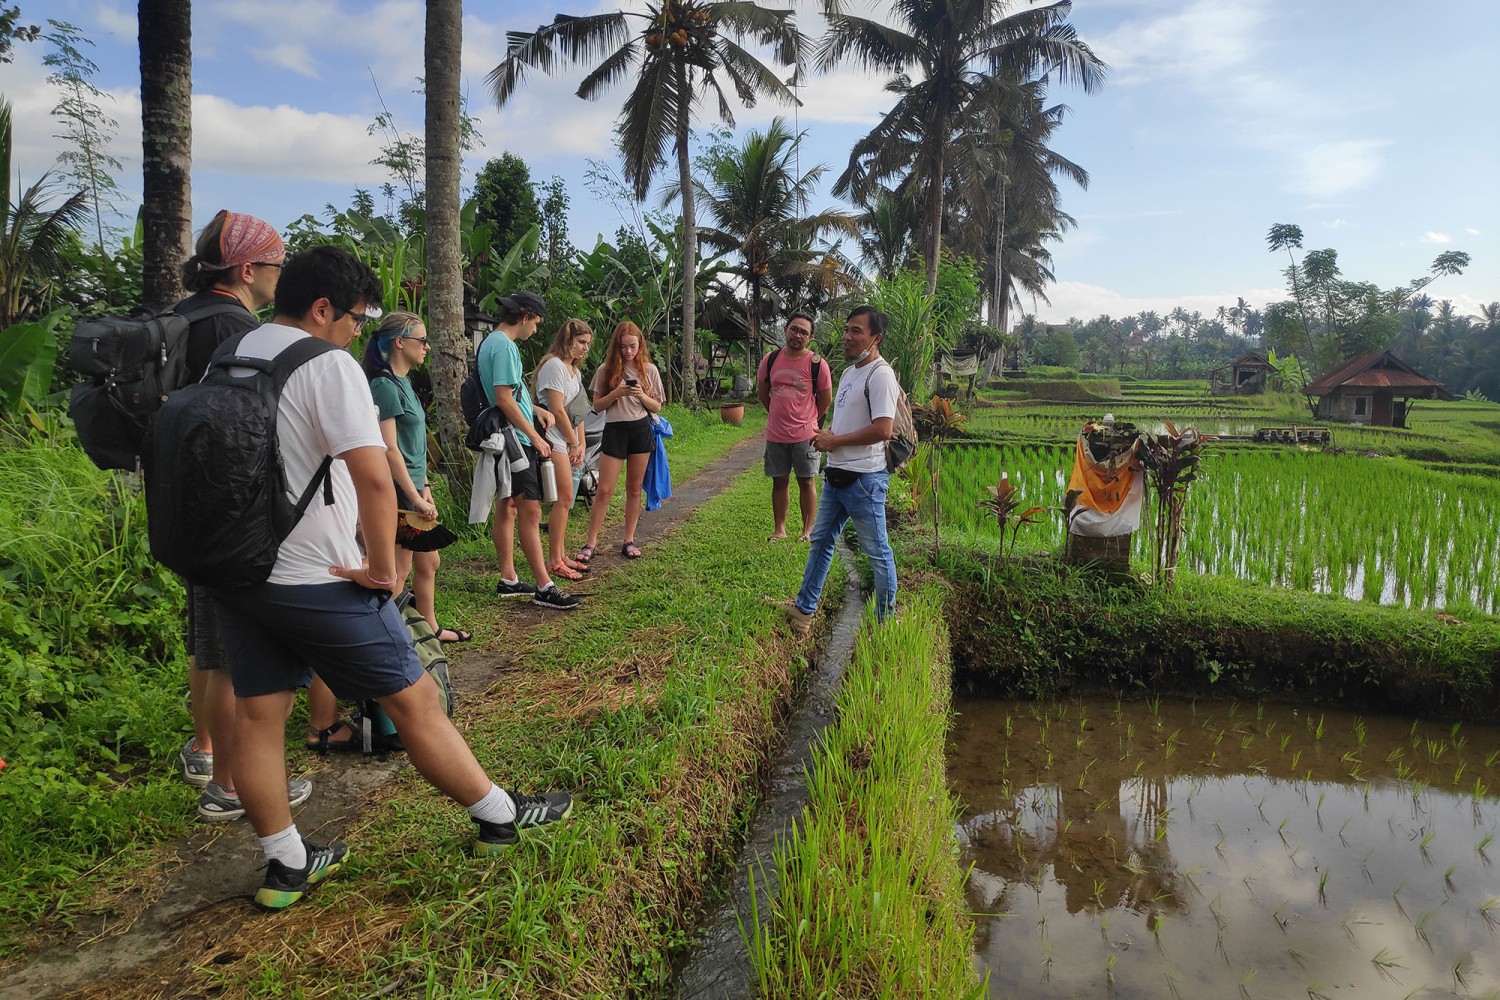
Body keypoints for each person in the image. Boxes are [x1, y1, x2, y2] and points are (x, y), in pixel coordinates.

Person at [205, 247, 573, 910]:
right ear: (322, 309)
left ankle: (287, 864)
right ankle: (498, 815)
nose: (356, 332)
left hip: (239, 570)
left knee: (259, 717)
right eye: (352, 318)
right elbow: (374, 477)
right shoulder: (326, 364)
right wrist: (380, 567)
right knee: (416, 700)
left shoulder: (232, 356)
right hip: (318, 573)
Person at [172, 209, 313, 823]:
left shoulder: (184, 315)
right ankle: (231, 784)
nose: (283, 276)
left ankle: (205, 754)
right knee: (233, 650)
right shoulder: (234, 326)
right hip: (226, 506)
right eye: (278, 264)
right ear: (249, 268)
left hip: (181, 500)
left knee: (206, 643)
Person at [305, 311, 469, 754]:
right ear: (398, 342)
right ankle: (393, 674)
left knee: (425, 563)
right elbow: (388, 449)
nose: (427, 346)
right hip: (396, 499)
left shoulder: (404, 385)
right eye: (421, 338)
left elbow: (416, 447)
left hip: (412, 492)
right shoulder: (380, 386)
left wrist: (426, 486)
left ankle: (423, 637)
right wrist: (414, 496)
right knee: (392, 586)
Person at [783, 306, 900, 634]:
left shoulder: (881, 375)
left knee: (877, 552)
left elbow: (884, 430)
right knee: (820, 541)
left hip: (864, 480)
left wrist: (836, 442)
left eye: (856, 331)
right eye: (847, 329)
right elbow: (848, 419)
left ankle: (883, 625)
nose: (847, 336)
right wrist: (827, 434)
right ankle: (804, 610)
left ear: (875, 338)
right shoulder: (850, 374)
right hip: (837, 475)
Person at [478, 291, 581, 609]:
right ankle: (544, 586)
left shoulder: (489, 343)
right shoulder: (506, 347)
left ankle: (509, 578)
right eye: (535, 323)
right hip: (515, 441)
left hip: (504, 435)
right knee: (531, 510)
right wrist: (534, 437)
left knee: (507, 505)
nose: (535, 330)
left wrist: (534, 409)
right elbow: (504, 398)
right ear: (524, 317)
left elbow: (509, 395)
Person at [579, 321, 664, 564]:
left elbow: (657, 406)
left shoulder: (649, 370)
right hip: (614, 430)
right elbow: (596, 406)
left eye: (632, 346)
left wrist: (641, 395)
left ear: (640, 345)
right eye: (623, 346)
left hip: (639, 429)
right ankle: (591, 542)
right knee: (604, 489)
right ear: (616, 346)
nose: (628, 351)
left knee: (634, 488)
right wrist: (616, 393)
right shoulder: (605, 370)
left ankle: (629, 539)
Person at [756, 310, 832, 542]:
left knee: (806, 481)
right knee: (779, 481)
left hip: (805, 436)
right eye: (794, 329)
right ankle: (780, 529)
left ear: (810, 337)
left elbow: (825, 400)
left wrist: (808, 420)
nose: (797, 335)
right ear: (786, 329)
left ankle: (806, 532)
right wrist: (779, 415)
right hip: (776, 434)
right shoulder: (771, 359)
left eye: (804, 332)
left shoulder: (817, 364)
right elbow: (763, 393)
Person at [533, 318, 594, 582]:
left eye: (587, 344)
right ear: (567, 341)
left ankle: (559, 554)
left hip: (568, 441)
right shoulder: (553, 366)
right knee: (564, 498)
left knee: (566, 501)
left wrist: (580, 444)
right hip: (553, 438)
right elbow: (556, 409)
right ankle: (554, 560)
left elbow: (577, 412)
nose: (584, 349)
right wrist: (573, 442)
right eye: (581, 342)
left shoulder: (575, 372)